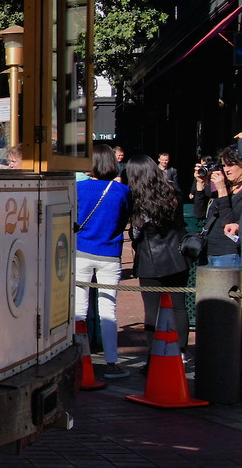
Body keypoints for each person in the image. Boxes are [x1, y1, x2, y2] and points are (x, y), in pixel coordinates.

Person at [124, 155, 191, 355]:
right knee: (179, 306)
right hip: (178, 255)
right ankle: (181, 353)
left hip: (150, 259)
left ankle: (154, 355)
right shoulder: (172, 191)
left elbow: (137, 232)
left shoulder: (138, 199)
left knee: (152, 309)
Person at [75, 141, 131, 379]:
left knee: (79, 308)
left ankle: (81, 357)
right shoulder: (122, 191)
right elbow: (123, 220)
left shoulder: (77, 188)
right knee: (108, 309)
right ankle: (111, 361)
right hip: (110, 253)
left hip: (81, 251)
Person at [190, 146, 242, 268]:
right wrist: (200, 184)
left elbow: (228, 223)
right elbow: (199, 213)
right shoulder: (223, 185)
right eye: (224, 165)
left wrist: (222, 191)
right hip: (209, 248)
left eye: (231, 165)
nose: (227, 169)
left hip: (228, 251)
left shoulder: (225, 189)